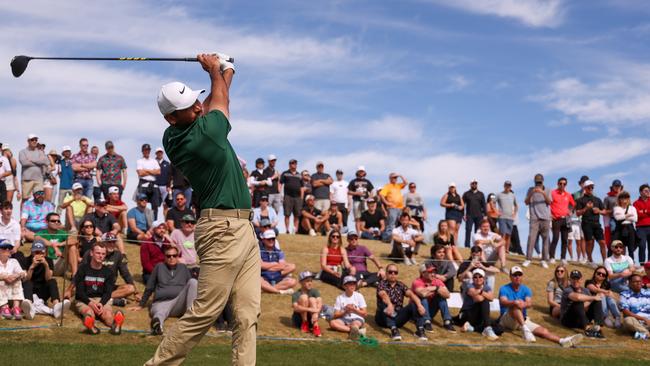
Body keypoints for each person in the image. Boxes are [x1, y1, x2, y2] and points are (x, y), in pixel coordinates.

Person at [147, 54, 259, 365]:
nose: (198, 106)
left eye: (197, 102)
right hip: (222, 228)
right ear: (172, 118)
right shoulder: (204, 133)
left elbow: (214, 100)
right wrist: (216, 69)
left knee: (248, 313)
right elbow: (219, 100)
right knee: (206, 310)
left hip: (242, 228)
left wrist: (226, 70)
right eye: (189, 107)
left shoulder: (182, 130)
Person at [498, 266, 584, 347]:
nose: (517, 277)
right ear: (510, 276)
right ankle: (525, 331)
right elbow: (503, 301)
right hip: (507, 318)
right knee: (514, 306)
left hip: (522, 319)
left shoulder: (526, 289)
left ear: (522, 276)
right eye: (515, 275)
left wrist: (522, 304)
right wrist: (515, 302)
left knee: (543, 331)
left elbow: (529, 303)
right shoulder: (504, 288)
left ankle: (562, 341)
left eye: (519, 275)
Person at [131, 245, 197, 336]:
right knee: (159, 313)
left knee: (193, 282)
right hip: (162, 302)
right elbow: (149, 287)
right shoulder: (159, 267)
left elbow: (191, 289)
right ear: (164, 257)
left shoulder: (183, 268)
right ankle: (158, 327)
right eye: (168, 256)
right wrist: (141, 305)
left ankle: (191, 319)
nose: (171, 258)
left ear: (178, 256)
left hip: (178, 303)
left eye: (174, 255)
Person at [73, 243, 124, 335]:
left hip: (101, 299)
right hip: (85, 299)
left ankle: (116, 325)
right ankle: (91, 325)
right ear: (91, 253)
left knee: (107, 314)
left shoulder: (108, 272)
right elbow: (79, 292)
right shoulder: (82, 269)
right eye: (98, 253)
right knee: (89, 312)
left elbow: (108, 292)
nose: (101, 256)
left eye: (103, 254)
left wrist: (101, 303)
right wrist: (91, 303)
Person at [79, 233, 137, 306]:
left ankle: (102, 299)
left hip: (109, 287)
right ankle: (111, 300)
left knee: (130, 288)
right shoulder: (91, 253)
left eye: (113, 242)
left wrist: (136, 292)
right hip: (91, 284)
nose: (112, 244)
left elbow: (125, 274)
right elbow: (81, 270)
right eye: (109, 242)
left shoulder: (118, 255)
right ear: (102, 243)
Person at [375, 263, 428, 341]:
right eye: (390, 272)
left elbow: (411, 294)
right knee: (384, 303)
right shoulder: (382, 284)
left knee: (414, 304)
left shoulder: (401, 285)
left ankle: (420, 330)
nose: (393, 274)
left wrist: (419, 305)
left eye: (395, 272)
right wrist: (389, 304)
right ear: (386, 273)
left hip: (397, 317)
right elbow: (383, 295)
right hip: (383, 318)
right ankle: (394, 330)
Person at [20, 240, 70, 320]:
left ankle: (56, 305)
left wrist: (46, 265)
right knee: (27, 282)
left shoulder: (48, 260)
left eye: (41, 253)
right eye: (36, 252)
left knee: (52, 281)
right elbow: (26, 279)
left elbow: (48, 278)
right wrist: (32, 266)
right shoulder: (25, 260)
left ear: (45, 252)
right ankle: (29, 305)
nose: (39, 255)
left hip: (42, 290)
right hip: (29, 290)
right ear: (31, 251)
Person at [455, 268, 500, 339]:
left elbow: (491, 298)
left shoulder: (487, 287)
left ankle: (473, 328)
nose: (478, 278)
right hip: (466, 314)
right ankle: (487, 328)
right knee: (484, 301)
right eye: (475, 277)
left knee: (500, 329)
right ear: (472, 279)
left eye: (480, 276)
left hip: (478, 316)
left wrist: (481, 292)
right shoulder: (469, 286)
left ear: (484, 278)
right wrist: (485, 295)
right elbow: (478, 299)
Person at [560, 269, 604, 338]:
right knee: (579, 301)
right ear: (570, 280)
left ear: (581, 279)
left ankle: (598, 328)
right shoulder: (567, 290)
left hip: (581, 317)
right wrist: (593, 298)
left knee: (597, 300)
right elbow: (577, 297)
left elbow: (586, 306)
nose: (575, 281)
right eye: (573, 278)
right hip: (568, 320)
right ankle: (587, 330)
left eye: (577, 278)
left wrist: (594, 299)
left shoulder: (586, 290)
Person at [412, 262, 455, 332]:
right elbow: (423, 294)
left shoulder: (437, 281)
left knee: (441, 297)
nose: (433, 274)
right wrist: (437, 289)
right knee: (424, 299)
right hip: (417, 312)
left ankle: (447, 321)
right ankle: (426, 321)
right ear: (423, 273)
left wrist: (435, 288)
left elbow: (447, 295)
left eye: (434, 272)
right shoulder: (417, 282)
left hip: (429, 310)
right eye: (430, 272)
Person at [524, 173, 552, 269]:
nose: (538, 184)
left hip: (545, 218)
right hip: (534, 218)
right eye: (537, 182)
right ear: (534, 181)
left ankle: (544, 260)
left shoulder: (548, 190)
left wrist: (543, 193)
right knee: (531, 238)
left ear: (543, 181)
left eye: (540, 182)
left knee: (545, 239)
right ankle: (528, 259)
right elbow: (526, 202)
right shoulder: (530, 190)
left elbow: (549, 202)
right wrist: (532, 193)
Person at [575, 180, 606, 266]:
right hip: (586, 223)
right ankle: (590, 260)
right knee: (589, 242)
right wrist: (586, 208)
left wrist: (599, 211)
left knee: (602, 242)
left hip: (597, 223)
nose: (591, 189)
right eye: (589, 187)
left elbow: (604, 211)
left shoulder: (598, 199)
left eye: (592, 187)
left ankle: (605, 262)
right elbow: (577, 213)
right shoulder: (580, 200)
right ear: (585, 188)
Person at [330, 275, 368, 339]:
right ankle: (357, 331)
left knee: (355, 325)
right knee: (332, 323)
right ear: (344, 286)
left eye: (354, 284)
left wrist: (354, 309)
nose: (352, 286)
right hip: (344, 319)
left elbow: (365, 313)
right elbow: (335, 315)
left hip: (356, 318)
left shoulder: (359, 296)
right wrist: (345, 311)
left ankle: (354, 330)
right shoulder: (339, 298)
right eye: (350, 284)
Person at [260, 230, 296, 294]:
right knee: (259, 281)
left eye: (273, 239)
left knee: (292, 281)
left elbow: (282, 266)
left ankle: (266, 289)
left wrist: (268, 267)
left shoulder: (279, 252)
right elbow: (261, 265)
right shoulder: (259, 251)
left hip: (277, 276)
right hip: (264, 277)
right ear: (263, 240)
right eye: (269, 239)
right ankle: (279, 291)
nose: (271, 241)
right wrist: (275, 264)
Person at [550, 177, 575, 265]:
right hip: (556, 219)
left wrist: (570, 211)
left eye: (564, 184)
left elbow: (573, 204)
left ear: (566, 185)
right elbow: (547, 204)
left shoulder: (568, 195)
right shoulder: (552, 193)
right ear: (557, 184)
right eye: (560, 183)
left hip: (566, 220)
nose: (562, 185)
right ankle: (552, 257)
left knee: (565, 240)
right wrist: (550, 215)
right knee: (555, 238)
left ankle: (563, 258)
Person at [19, 134, 49, 205]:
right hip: (27, 179)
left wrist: (32, 160)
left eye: (36, 140)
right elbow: (24, 162)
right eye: (32, 140)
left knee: (39, 198)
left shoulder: (40, 152)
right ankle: (23, 216)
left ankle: (38, 215)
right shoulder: (22, 152)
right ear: (28, 141)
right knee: (25, 199)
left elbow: (46, 162)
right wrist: (39, 162)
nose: (34, 141)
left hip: (39, 179)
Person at [0, 240, 26, 320]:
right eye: (4, 248)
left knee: (17, 280)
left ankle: (16, 308)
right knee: (2, 279)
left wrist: (17, 275)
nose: (8, 250)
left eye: (10, 248)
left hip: (10, 293)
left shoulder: (14, 261)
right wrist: (4, 277)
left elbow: (24, 273)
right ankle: (4, 307)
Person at [291, 271, 322, 337]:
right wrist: (310, 309)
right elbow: (296, 308)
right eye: (307, 281)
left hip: (312, 318)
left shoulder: (315, 291)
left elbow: (319, 302)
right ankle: (305, 323)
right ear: (301, 282)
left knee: (312, 299)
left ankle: (315, 326)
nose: (310, 283)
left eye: (311, 281)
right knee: (304, 297)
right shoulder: (296, 294)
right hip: (299, 319)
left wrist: (316, 313)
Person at [379, 173, 408, 242]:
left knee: (402, 223)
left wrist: (400, 175)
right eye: (393, 177)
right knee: (391, 224)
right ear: (390, 178)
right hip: (392, 208)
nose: (395, 179)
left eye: (396, 178)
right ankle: (386, 238)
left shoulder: (398, 186)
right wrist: (386, 202)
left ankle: (401, 238)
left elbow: (406, 183)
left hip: (400, 208)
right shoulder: (387, 186)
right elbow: (381, 194)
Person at [140, 220, 171, 284]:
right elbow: (146, 264)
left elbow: (179, 255)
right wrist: (158, 273)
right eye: (159, 228)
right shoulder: (146, 244)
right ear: (153, 230)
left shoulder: (168, 242)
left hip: (167, 271)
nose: (162, 230)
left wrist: (171, 241)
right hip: (151, 272)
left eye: (164, 228)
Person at [620, 274, 650, 339]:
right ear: (629, 284)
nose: (638, 283)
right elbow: (626, 312)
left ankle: (642, 334)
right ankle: (647, 334)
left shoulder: (648, 293)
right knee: (628, 320)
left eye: (640, 281)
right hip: (636, 322)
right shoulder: (625, 295)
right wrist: (644, 319)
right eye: (635, 282)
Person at [136, 143, 161, 219]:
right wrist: (152, 171)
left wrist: (146, 170)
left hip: (153, 184)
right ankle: (142, 220)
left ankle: (154, 222)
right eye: (145, 150)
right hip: (144, 184)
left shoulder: (154, 161)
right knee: (142, 204)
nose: (147, 151)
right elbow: (140, 173)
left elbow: (158, 172)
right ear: (142, 151)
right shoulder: (139, 161)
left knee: (155, 205)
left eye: (148, 150)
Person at [280, 159, 304, 234]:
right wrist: (280, 194)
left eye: (294, 163)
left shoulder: (299, 175)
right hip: (288, 196)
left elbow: (302, 187)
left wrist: (301, 197)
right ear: (289, 165)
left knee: (297, 215)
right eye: (292, 163)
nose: (293, 165)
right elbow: (280, 183)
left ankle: (295, 230)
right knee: (287, 214)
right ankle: (287, 230)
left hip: (297, 197)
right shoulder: (285, 173)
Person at [348, 166, 374, 233]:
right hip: (356, 201)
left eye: (362, 171)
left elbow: (372, 191)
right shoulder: (353, 181)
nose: (361, 172)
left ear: (364, 172)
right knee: (357, 218)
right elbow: (349, 191)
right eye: (360, 171)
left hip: (365, 201)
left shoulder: (367, 181)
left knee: (366, 217)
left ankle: (366, 232)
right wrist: (356, 193)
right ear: (357, 172)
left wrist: (369, 198)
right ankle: (358, 233)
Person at [613, 191, 638, 257]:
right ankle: (617, 261)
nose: (624, 200)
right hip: (619, 228)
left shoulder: (632, 208)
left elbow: (635, 219)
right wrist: (628, 216)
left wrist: (623, 216)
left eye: (626, 198)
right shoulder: (617, 208)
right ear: (619, 199)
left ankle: (631, 263)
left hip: (630, 228)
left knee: (631, 248)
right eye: (622, 198)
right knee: (617, 246)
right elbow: (617, 218)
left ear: (628, 199)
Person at [462, 179, 486, 248]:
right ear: (470, 184)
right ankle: (467, 245)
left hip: (479, 216)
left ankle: (477, 246)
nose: (474, 184)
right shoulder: (466, 194)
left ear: (477, 184)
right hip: (469, 215)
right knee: (468, 229)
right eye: (473, 183)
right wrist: (463, 214)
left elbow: (484, 205)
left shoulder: (481, 194)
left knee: (477, 231)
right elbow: (463, 204)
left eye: (475, 183)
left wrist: (485, 215)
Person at [496, 180, 518, 254]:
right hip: (502, 217)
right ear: (504, 186)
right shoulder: (499, 194)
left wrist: (514, 213)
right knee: (502, 233)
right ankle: (501, 248)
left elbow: (516, 205)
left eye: (509, 185)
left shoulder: (513, 195)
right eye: (506, 185)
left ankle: (507, 250)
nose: (507, 187)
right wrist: (496, 211)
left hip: (510, 218)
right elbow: (492, 202)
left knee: (509, 234)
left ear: (510, 186)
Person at [603, 179, 624, 247]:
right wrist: (614, 210)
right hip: (613, 219)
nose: (617, 187)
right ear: (612, 187)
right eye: (616, 186)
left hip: (623, 219)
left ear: (621, 187)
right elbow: (604, 211)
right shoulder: (607, 198)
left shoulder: (624, 197)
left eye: (618, 186)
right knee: (614, 236)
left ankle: (623, 256)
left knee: (623, 238)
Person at [634, 184, 650, 264]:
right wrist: (647, 212)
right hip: (640, 227)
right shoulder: (636, 203)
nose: (648, 192)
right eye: (645, 190)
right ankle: (642, 264)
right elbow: (637, 214)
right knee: (642, 246)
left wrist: (643, 211)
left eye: (648, 190)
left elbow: (641, 213)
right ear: (640, 192)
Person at [154, 147, 172, 216]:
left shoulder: (167, 163)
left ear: (162, 153)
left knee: (166, 205)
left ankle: (166, 221)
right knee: (155, 205)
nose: (159, 154)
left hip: (165, 187)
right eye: (158, 152)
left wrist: (169, 186)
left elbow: (170, 176)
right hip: (155, 186)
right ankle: (154, 222)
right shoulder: (153, 162)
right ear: (156, 153)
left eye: (160, 152)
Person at [57, 146, 74, 212]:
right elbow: (59, 173)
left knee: (72, 205)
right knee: (60, 205)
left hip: (72, 186)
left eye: (68, 151)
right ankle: (57, 219)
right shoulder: (60, 162)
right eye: (66, 151)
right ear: (63, 153)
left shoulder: (73, 161)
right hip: (63, 186)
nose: (67, 153)